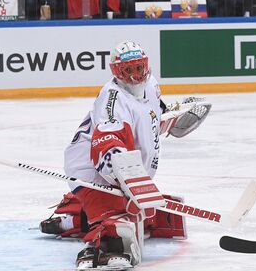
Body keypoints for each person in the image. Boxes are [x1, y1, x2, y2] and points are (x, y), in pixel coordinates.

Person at [44, 40, 203, 269]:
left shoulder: (151, 85)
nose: (135, 76)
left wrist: (172, 120)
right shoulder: (113, 99)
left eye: (139, 68)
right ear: (117, 72)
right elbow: (107, 143)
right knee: (121, 223)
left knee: (144, 211)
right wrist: (127, 178)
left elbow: (151, 116)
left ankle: (77, 216)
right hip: (92, 172)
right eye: (128, 70)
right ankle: (95, 237)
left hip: (123, 169)